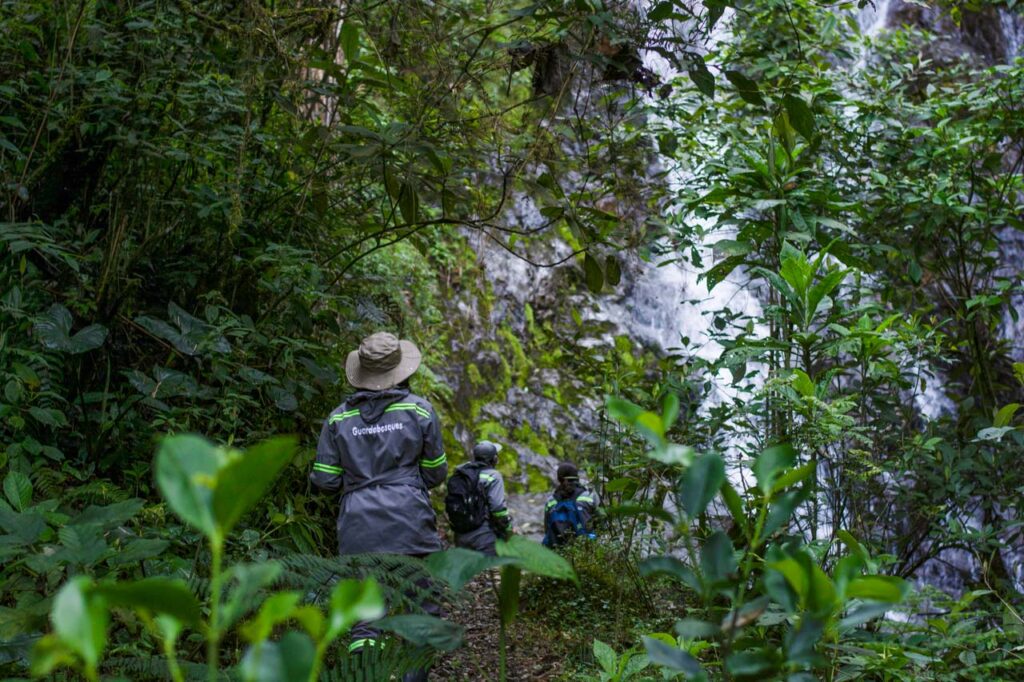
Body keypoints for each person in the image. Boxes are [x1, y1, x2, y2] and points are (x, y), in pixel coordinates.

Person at [311, 331, 446, 682]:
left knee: (365, 618)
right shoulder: (419, 410)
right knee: (421, 606)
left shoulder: (338, 419)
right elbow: (436, 473)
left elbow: (324, 480)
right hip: (410, 522)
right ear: (401, 371)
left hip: (358, 527)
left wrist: (359, 478)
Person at [446, 440, 512, 556]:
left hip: (460, 534)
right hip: (483, 535)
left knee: (467, 567)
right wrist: (508, 529)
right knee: (489, 567)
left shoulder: (461, 472)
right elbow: (498, 508)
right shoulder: (493, 476)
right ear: (494, 459)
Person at [542, 462, 598, 548]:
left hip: (557, 549)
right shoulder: (590, 496)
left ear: (559, 479)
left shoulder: (550, 501)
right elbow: (601, 523)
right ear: (577, 477)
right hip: (585, 548)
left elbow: (547, 529)